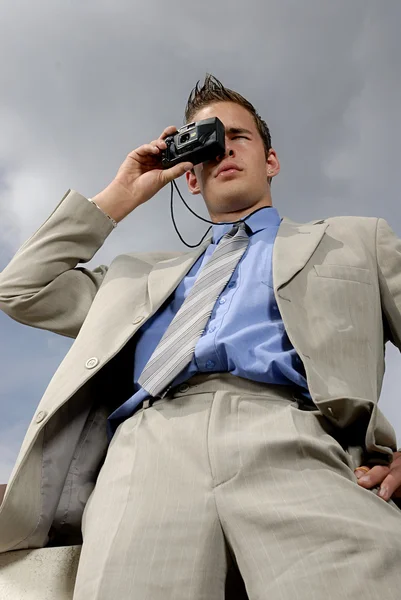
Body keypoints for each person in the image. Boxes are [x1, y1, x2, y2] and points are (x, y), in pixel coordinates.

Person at [0, 73, 401, 600]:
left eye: (240, 137)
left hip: (300, 438)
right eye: (208, 143)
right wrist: (121, 195)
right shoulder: (135, 276)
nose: (225, 149)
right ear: (189, 174)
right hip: (146, 455)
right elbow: (20, 288)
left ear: (271, 160)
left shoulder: (356, 240)